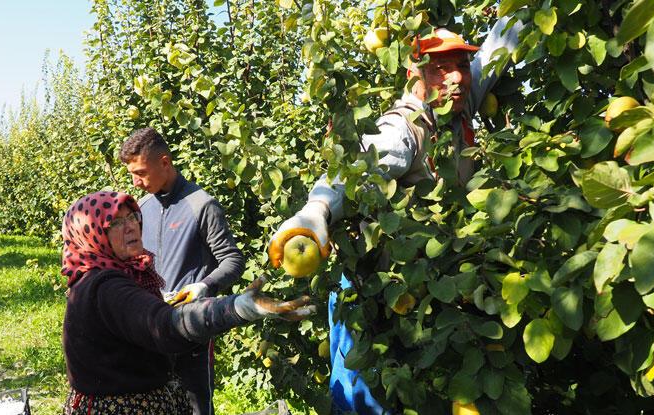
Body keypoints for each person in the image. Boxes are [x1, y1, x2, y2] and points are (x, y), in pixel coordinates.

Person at [268, 19, 523, 414]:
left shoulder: (457, 105)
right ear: (414, 75)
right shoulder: (402, 129)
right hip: (372, 294)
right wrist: (315, 211)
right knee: (365, 399)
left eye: (459, 65)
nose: (455, 76)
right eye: (440, 67)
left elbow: (495, 51)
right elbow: (354, 170)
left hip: (422, 292)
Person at [61, 191, 312, 415]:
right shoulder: (106, 287)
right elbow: (161, 326)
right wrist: (235, 308)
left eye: (132, 217)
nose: (130, 227)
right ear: (92, 235)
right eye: (115, 222)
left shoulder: (112, 274)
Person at [119, 127, 245, 415]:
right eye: (132, 175)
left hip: (191, 328)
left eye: (141, 173)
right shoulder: (142, 207)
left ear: (165, 163)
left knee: (196, 404)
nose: (136, 182)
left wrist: (203, 286)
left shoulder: (202, 205)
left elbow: (233, 260)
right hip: (150, 325)